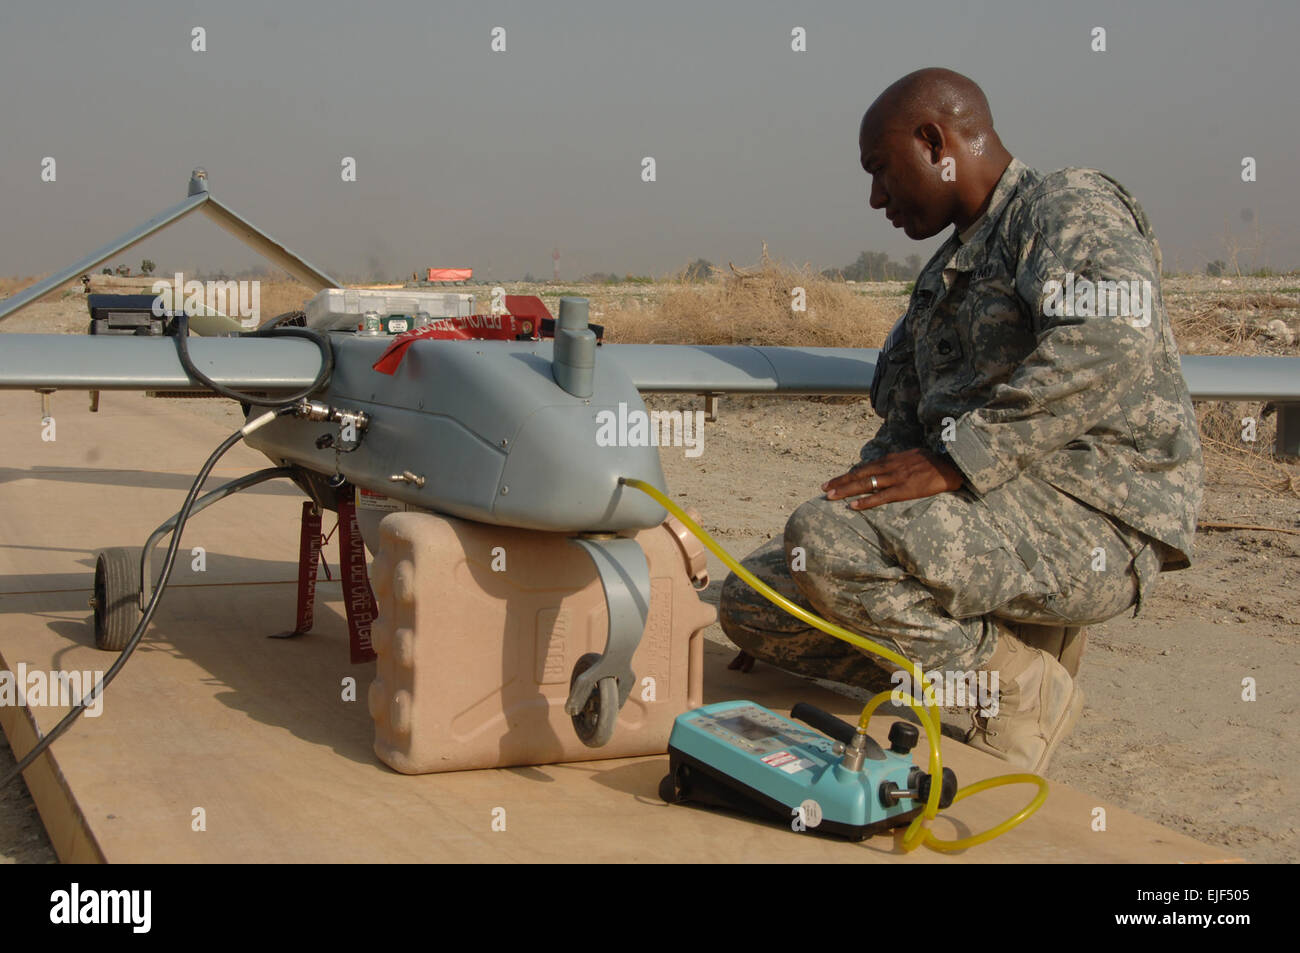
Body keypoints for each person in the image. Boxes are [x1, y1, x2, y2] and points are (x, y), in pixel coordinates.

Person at [718, 67, 1203, 773]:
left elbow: (1107, 337)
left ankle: (1014, 690)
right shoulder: (940, 280)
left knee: (825, 545)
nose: (876, 197)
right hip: (991, 514)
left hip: (1098, 513)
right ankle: (999, 641)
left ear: (933, 140)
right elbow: (904, 436)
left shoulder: (1064, 207)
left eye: (882, 170)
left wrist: (957, 460)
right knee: (755, 596)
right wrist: (827, 555)